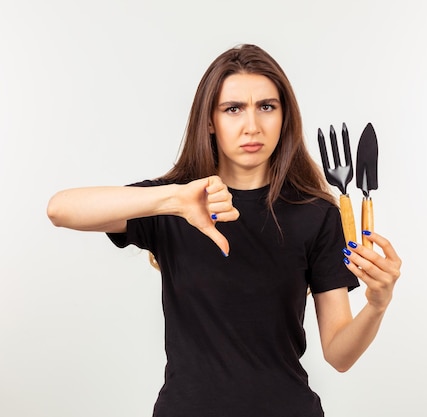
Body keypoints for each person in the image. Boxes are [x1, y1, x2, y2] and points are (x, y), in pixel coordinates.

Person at [47, 44, 402, 417]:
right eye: (233, 109)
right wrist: (172, 199)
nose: (252, 126)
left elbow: (339, 354)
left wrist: (377, 306)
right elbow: (60, 209)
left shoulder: (315, 214)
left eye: (267, 106)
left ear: (285, 117)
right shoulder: (177, 202)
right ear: (210, 121)